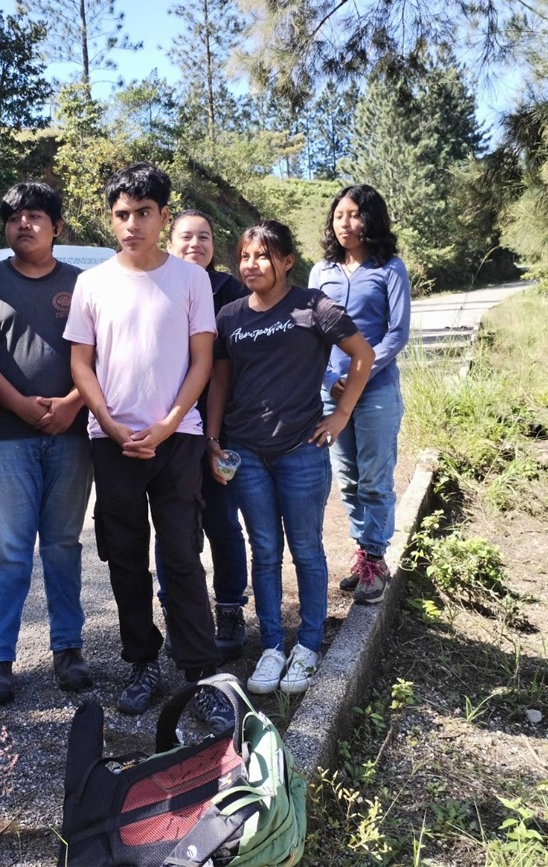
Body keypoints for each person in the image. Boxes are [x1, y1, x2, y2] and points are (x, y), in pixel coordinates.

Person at [64, 163, 231, 731]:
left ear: (163, 215)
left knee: (182, 556)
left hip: (176, 441)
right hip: (111, 442)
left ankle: (201, 674)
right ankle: (141, 663)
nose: (131, 224)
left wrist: (169, 423)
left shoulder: (190, 280)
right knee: (126, 560)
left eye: (143, 213)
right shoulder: (93, 283)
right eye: (121, 215)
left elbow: (202, 359)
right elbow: (81, 363)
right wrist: (110, 424)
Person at [206, 221, 374, 695]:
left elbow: (361, 354)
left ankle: (309, 645)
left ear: (285, 262)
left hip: (302, 448)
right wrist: (213, 437)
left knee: (305, 549)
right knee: (263, 550)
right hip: (246, 451)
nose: (251, 265)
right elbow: (219, 381)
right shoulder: (230, 316)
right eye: (244, 256)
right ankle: (273, 646)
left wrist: (341, 414)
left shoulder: (312, 306)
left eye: (262, 256)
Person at [0, 181, 94, 705]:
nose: (25, 224)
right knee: (9, 550)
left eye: (37, 216)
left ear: (57, 228)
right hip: (8, 439)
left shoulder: (85, 284)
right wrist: (20, 406)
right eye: (15, 217)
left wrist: (70, 404)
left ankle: (68, 649)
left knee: (63, 546)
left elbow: (100, 354)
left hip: (72, 437)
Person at [308, 185, 411, 605]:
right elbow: (313, 330)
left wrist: (360, 374)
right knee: (347, 479)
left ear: (371, 219)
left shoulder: (390, 269)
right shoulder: (321, 272)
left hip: (377, 389)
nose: (345, 223)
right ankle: (363, 553)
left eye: (354, 215)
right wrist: (333, 374)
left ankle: (374, 558)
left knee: (375, 477)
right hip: (332, 390)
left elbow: (397, 333)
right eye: (339, 216)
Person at [156, 209, 251, 660]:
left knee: (221, 521)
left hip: (218, 429)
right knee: (174, 529)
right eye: (187, 236)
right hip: (165, 429)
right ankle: (179, 612)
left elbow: (223, 367)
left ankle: (230, 608)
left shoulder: (229, 291)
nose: (196, 244)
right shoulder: (155, 282)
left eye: (205, 237)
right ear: (170, 240)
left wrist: (214, 436)